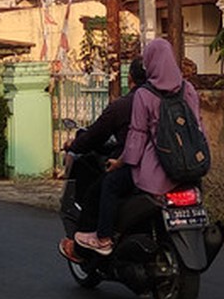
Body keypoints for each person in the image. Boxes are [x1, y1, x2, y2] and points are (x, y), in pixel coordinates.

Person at [75, 38, 201, 256]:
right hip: (190, 168)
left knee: (111, 183)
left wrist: (119, 163)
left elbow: (137, 139)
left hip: (155, 172)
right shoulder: (187, 89)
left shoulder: (145, 95)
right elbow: (198, 127)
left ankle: (103, 238)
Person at [58, 57, 148, 263]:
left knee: (100, 190)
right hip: (168, 167)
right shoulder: (171, 99)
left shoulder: (130, 105)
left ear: (130, 78)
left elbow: (130, 142)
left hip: (138, 166)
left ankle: (98, 241)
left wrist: (120, 161)